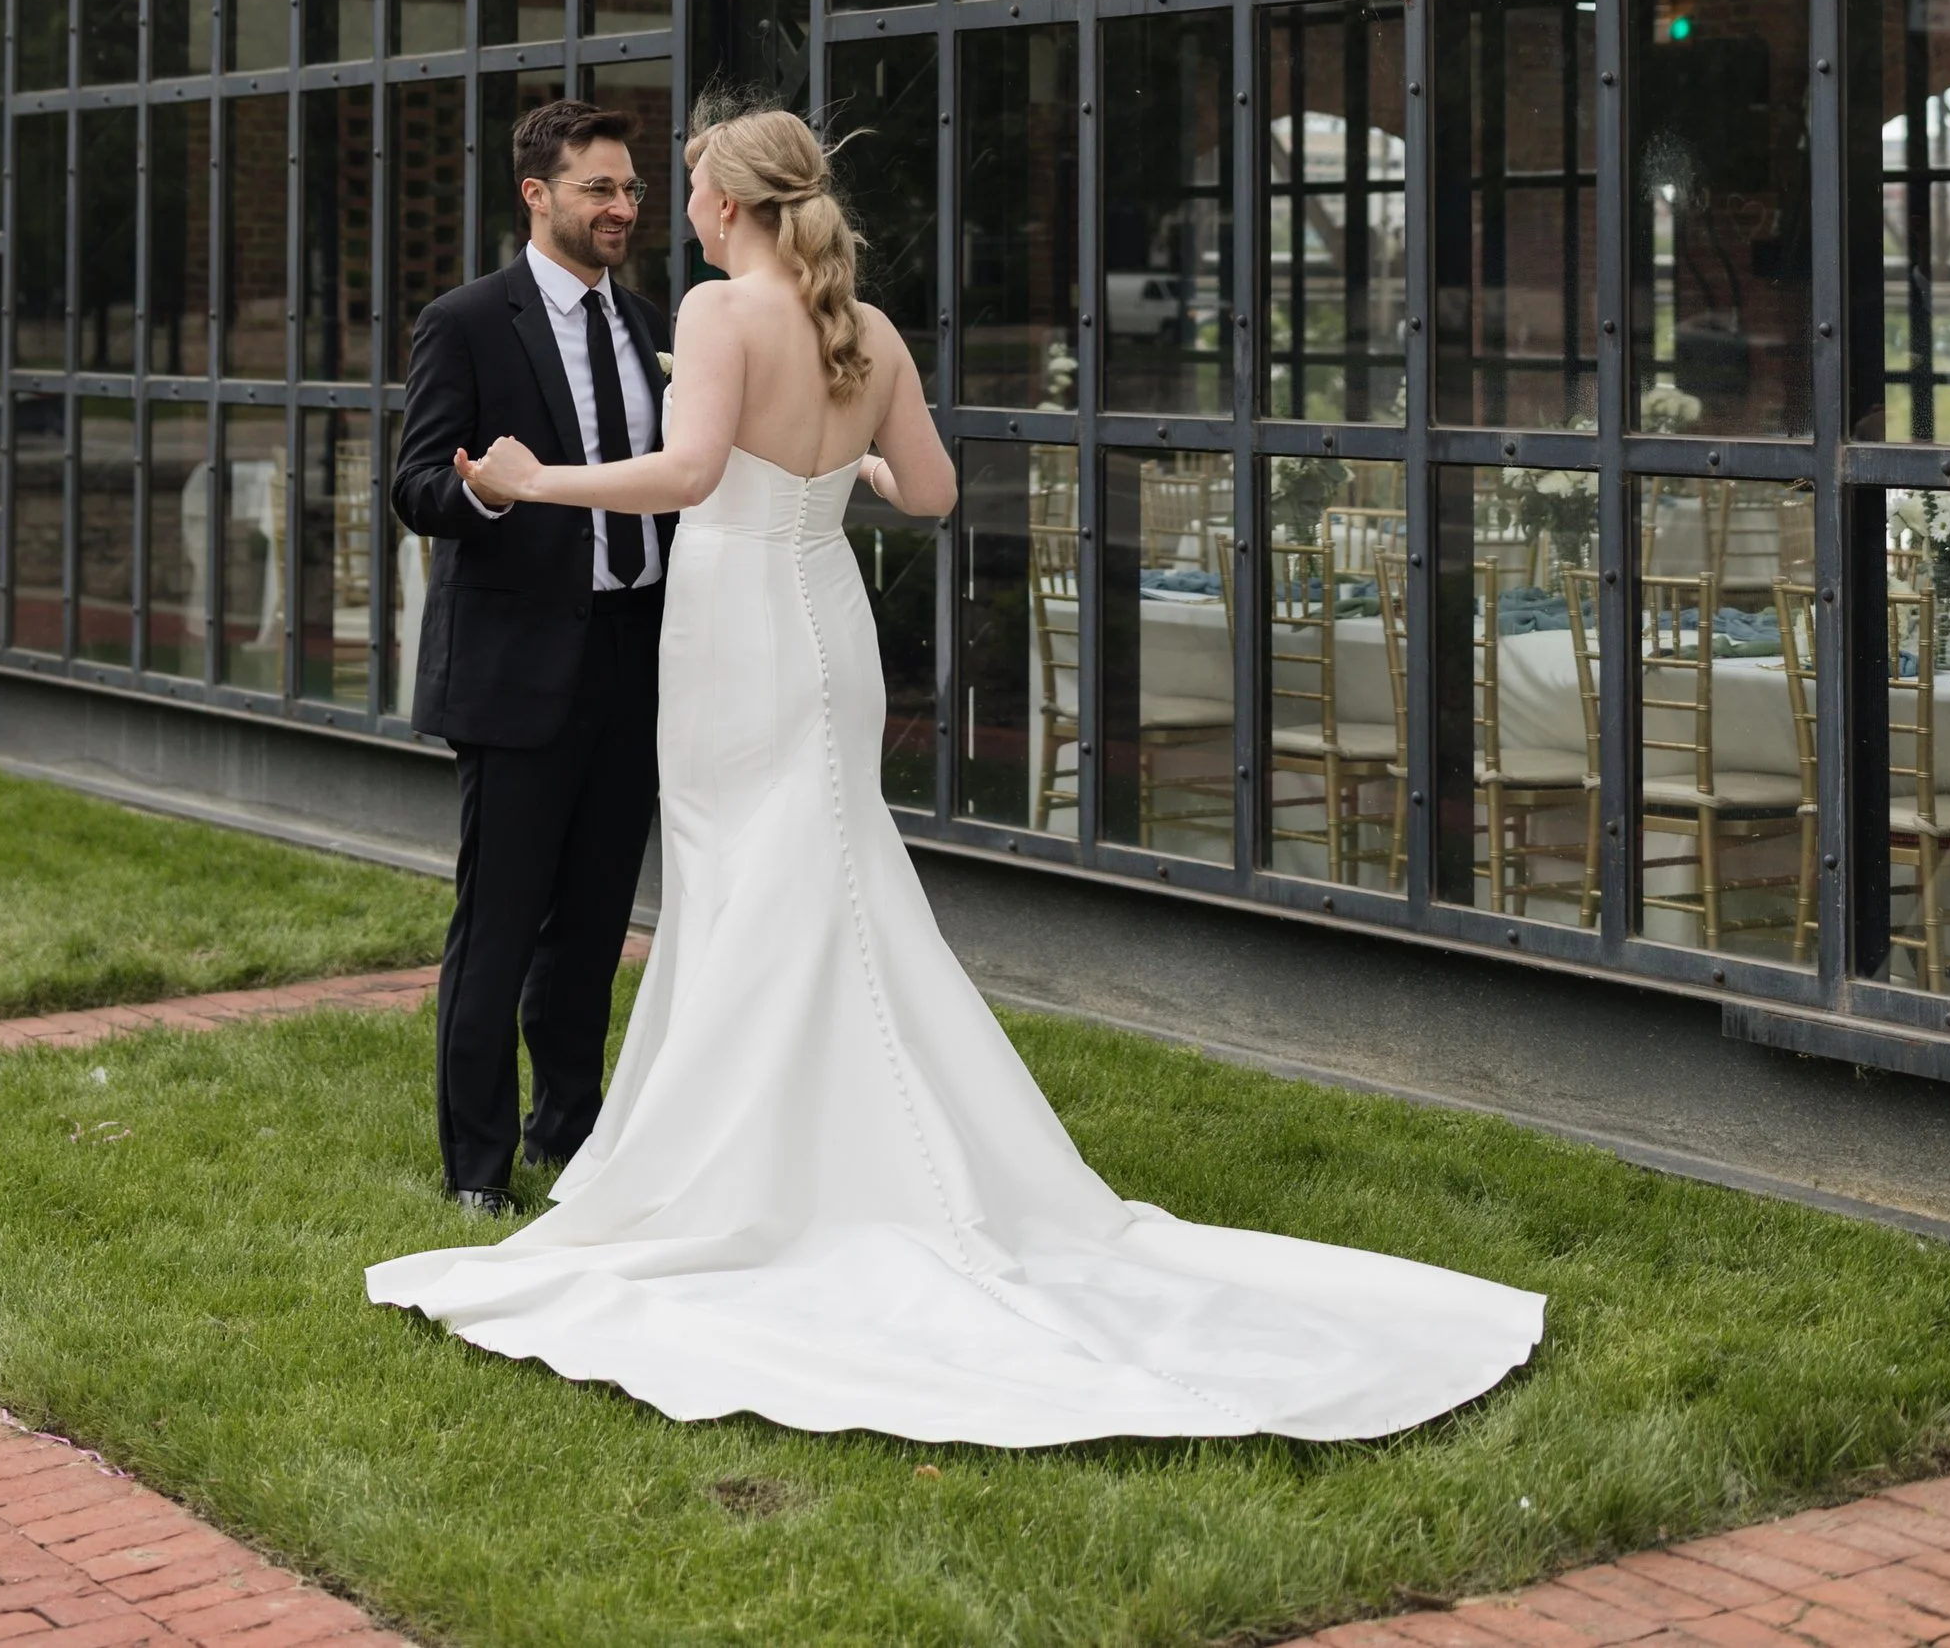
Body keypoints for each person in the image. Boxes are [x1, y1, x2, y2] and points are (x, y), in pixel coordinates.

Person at [369, 108, 1541, 1446]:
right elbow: (926, 492)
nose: (674, 208)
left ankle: (741, 1167)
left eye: (687, 187)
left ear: (738, 205)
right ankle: (815, 1148)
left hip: (733, 638)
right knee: (825, 873)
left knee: (746, 888)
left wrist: (536, 477)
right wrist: (845, 459)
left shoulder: (711, 313)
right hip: (829, 631)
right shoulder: (867, 330)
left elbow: (692, 471)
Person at [389, 100, 670, 1214]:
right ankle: (476, 1171)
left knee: (595, 925)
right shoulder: (465, 322)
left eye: (633, 188)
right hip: (515, 672)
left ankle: (569, 1133)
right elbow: (414, 486)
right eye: (599, 188)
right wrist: (483, 487)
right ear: (536, 195)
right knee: (498, 929)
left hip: (634, 658)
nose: (622, 208)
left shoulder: (653, 320)